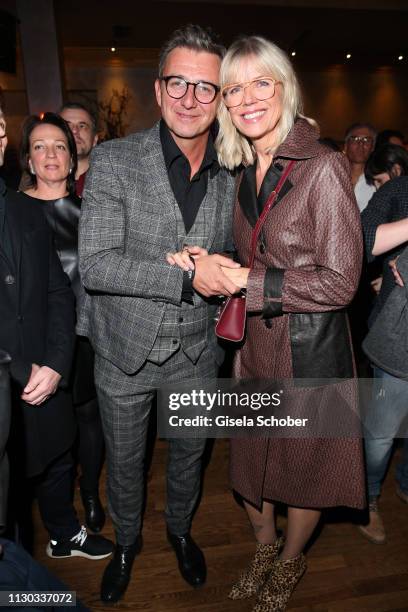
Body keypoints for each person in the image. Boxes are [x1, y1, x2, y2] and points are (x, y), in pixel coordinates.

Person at [169, 36, 365, 611]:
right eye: (234, 88)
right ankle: (263, 548)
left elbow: (340, 283)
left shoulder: (323, 168)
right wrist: (206, 258)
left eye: (262, 83)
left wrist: (244, 284)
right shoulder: (244, 169)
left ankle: (287, 563)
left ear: (285, 88)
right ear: (225, 103)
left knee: (304, 468)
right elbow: (253, 251)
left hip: (310, 351)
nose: (247, 98)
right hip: (254, 345)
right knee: (252, 457)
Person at [78, 24, 238, 604]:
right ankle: (125, 542)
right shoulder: (116, 160)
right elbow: (95, 265)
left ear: (222, 98)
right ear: (157, 87)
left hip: (198, 349)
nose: (190, 98)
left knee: (191, 453)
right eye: (179, 83)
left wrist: (221, 265)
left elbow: (246, 255)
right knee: (124, 460)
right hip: (124, 350)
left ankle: (179, 529)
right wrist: (184, 273)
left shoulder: (234, 171)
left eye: (206, 87)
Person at [0, 105, 112, 561]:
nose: (50, 155)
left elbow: (59, 292)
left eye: (60, 146)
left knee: (63, 445)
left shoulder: (92, 211)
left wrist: (56, 361)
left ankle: (65, 527)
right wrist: (25, 366)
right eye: (39, 147)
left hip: (70, 348)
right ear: (26, 158)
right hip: (20, 362)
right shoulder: (20, 207)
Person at [360, 172, 408, 544]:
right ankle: (368, 498)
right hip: (398, 343)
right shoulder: (399, 190)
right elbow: (360, 241)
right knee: (380, 436)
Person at [59, 102, 98, 196]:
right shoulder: (38, 182)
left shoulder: (112, 181)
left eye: (82, 126)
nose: (75, 131)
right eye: (67, 126)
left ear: (95, 139)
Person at [344, 122, 376, 212]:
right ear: (346, 145)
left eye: (366, 140)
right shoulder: (333, 176)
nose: (360, 144)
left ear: (373, 147)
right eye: (355, 139)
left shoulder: (378, 181)